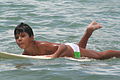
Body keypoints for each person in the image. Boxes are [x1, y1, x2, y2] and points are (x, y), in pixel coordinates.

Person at [14, 21, 120, 60]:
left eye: (23, 36)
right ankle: (88, 31)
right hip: (74, 51)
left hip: (71, 50)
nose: (19, 39)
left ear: (32, 37)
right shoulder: (26, 52)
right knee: (81, 49)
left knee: (100, 56)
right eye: (17, 38)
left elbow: (63, 46)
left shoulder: (41, 45)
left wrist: (54, 56)